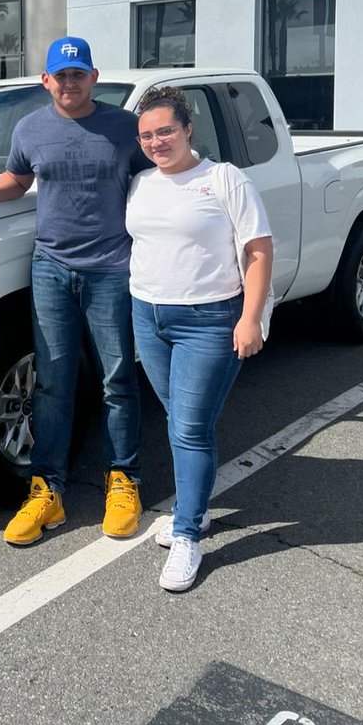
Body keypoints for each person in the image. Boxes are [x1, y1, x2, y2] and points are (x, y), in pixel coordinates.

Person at [0, 36, 150, 545]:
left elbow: (160, 177)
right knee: (51, 382)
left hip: (111, 270)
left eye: (79, 74)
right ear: (46, 80)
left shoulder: (124, 127)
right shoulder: (31, 128)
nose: (70, 83)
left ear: (93, 78)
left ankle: (124, 480)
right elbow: (17, 179)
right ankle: (46, 489)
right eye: (61, 75)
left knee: (117, 380)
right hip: (51, 268)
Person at [126, 85, 273, 592]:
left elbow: (257, 250)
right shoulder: (141, 183)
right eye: (146, 134)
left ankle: (188, 533)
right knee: (182, 421)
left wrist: (250, 318)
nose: (156, 141)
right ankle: (195, 509)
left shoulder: (222, 179)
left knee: (189, 427)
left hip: (209, 320)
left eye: (165, 130)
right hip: (148, 315)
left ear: (189, 129)